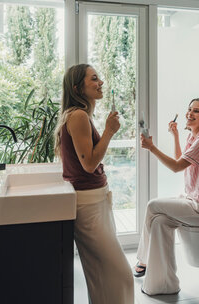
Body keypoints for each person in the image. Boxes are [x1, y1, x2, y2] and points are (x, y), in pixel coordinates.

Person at [54, 64, 134, 304]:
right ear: (78, 88)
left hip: (93, 200)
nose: (101, 83)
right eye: (94, 79)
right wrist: (109, 132)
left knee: (101, 273)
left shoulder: (78, 115)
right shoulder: (78, 116)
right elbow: (88, 163)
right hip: (88, 205)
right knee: (121, 275)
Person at [134, 98, 199, 296]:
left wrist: (151, 147)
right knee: (159, 222)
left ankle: (143, 260)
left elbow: (176, 167)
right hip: (194, 200)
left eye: (196, 111)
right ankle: (163, 284)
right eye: (189, 109)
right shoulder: (194, 137)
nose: (190, 113)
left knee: (152, 205)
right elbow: (178, 160)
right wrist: (175, 135)